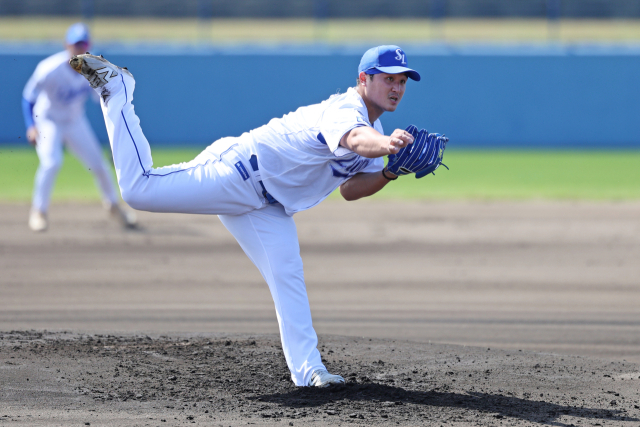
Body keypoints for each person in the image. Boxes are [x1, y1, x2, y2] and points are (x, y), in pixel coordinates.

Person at [69, 45, 421, 387]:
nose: (397, 88)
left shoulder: (375, 137)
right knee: (137, 190)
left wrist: (391, 172)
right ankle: (118, 91)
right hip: (237, 173)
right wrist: (390, 144)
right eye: (389, 79)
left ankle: (310, 372)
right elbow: (357, 139)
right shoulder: (347, 110)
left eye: (403, 81)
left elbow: (351, 189)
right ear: (364, 78)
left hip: (270, 208)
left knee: (288, 275)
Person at [21, 22, 137, 232]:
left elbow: (106, 104)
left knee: (100, 165)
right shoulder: (50, 68)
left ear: (88, 45)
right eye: (76, 44)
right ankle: (39, 211)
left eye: (83, 44)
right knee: (51, 162)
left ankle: (113, 207)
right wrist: (31, 125)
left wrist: (116, 137)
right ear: (67, 45)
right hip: (48, 120)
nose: (79, 49)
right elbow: (28, 97)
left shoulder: (93, 70)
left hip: (74, 121)